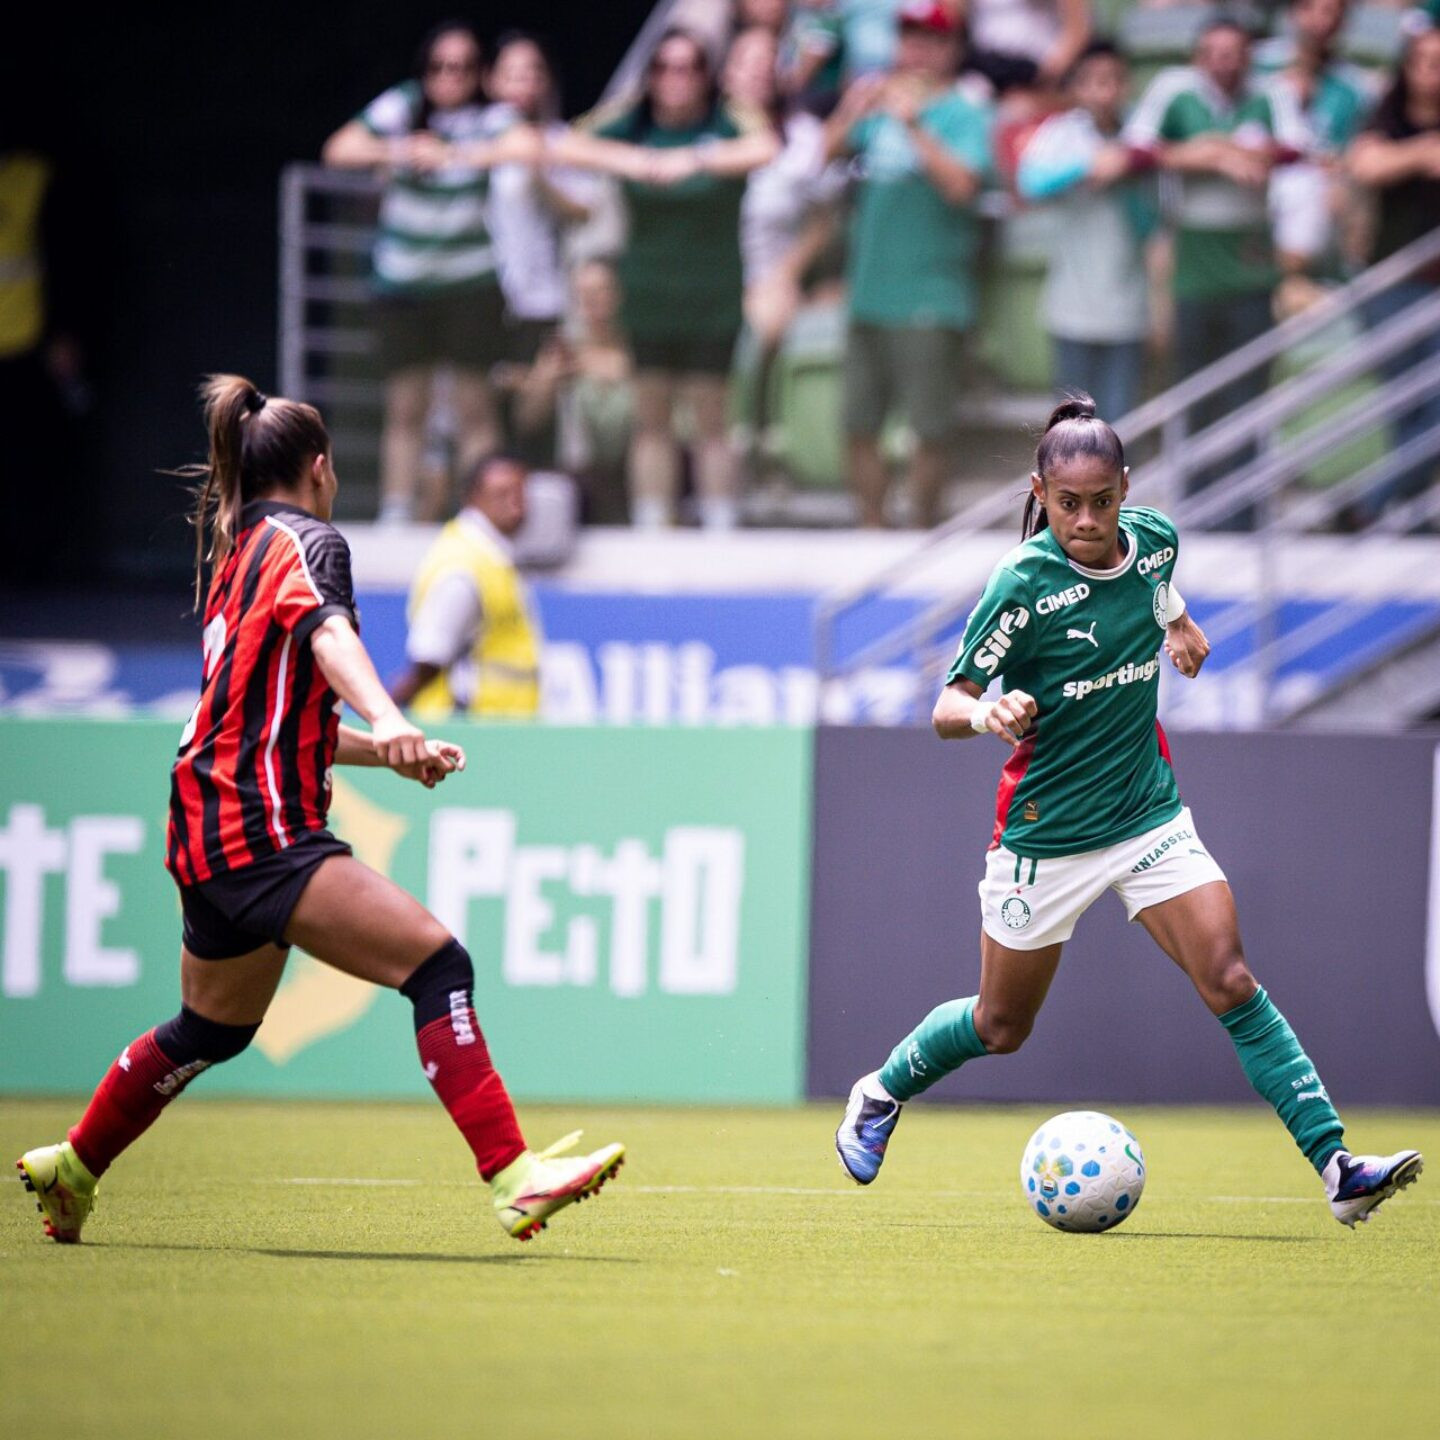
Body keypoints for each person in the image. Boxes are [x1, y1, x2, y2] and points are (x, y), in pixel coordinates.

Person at [15, 376, 622, 1246]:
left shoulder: (235, 560)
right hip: (259, 827)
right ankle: (514, 1177)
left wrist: (385, 752)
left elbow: (273, 720)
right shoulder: (309, 540)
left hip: (202, 823)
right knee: (437, 966)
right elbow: (330, 638)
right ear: (320, 468)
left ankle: (73, 1166)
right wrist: (392, 717)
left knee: (210, 1030)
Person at [832, 395, 1424, 1227]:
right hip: (1047, 836)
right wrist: (986, 713)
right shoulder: (1021, 585)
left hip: (1147, 816)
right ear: (1041, 493)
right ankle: (881, 1090)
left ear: (1125, 491)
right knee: (1002, 1025)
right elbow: (945, 705)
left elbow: (1158, 586)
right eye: (1066, 504)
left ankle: (1337, 1167)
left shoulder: (1153, 541)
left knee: (1231, 977)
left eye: (1101, 502)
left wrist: (1180, 626)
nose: (1085, 520)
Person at [551, 29, 779, 529]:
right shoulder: (633, 120)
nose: (676, 80)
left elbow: (766, 146)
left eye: (688, 68)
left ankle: (721, 525)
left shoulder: (728, 117)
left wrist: (694, 158)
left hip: (711, 292)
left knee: (710, 418)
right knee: (650, 417)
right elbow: (567, 143)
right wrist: (632, 159)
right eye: (665, 68)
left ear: (705, 75)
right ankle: (652, 522)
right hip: (648, 290)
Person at [321, 23, 539, 523]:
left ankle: (480, 515)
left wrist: (455, 155)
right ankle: (397, 509)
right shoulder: (403, 105)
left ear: (478, 72)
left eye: (462, 67)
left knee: (474, 406)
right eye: (440, 66)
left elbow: (528, 147)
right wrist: (400, 151)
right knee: (405, 404)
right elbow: (339, 148)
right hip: (404, 282)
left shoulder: (491, 116)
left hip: (469, 282)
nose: (450, 77)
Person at [824, 1, 992, 527]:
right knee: (857, 425)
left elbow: (964, 186)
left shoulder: (966, 112)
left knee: (930, 430)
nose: (916, 50)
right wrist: (852, 106)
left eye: (930, 40)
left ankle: (921, 533)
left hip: (932, 297)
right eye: (909, 38)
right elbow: (826, 153)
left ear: (952, 48)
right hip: (869, 293)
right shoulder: (877, 104)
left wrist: (914, 125)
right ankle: (871, 531)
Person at [1125, 16, 1294, 512]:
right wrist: (1209, 156)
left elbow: (1299, 148)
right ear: (1198, 56)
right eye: (1214, 51)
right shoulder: (1175, 90)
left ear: (1248, 55)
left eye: (1234, 51)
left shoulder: (1269, 91)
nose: (1225, 61)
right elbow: (1136, 150)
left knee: (1249, 389)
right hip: (1194, 261)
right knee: (1193, 388)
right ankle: (1194, 502)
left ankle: (1244, 509)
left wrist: (1235, 152)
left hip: (1252, 257)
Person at [1017, 40, 1157, 421]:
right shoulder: (1062, 133)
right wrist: (1089, 165)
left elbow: (1152, 219)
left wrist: (1126, 168)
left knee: (1119, 426)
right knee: (1071, 429)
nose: (1104, 91)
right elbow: (1030, 182)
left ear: (1127, 84)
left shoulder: (1141, 134)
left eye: (1113, 80)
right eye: (1093, 81)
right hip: (1071, 304)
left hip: (1128, 305)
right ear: (1077, 87)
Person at [1346, 25, 1440, 523]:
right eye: (1424, 60)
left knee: (1434, 409)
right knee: (1408, 407)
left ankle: (1372, 506)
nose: (1433, 72)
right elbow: (1366, 165)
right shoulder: (1388, 117)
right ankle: (1405, 515)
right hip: (1393, 284)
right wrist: (1424, 153)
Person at [391, 454, 543, 718]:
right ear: (473, 497)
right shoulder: (463, 565)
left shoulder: (492, 557)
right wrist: (387, 712)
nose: (516, 505)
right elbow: (430, 654)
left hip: (497, 727)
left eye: (521, 494)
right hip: (464, 727)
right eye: (502, 494)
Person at [1256, 0, 1378, 290]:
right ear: (1292, 13)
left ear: (1344, 21)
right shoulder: (1255, 66)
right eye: (1309, 8)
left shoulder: (1356, 86)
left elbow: (1353, 155)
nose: (1319, 22)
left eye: (1331, 12)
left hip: (1323, 205)